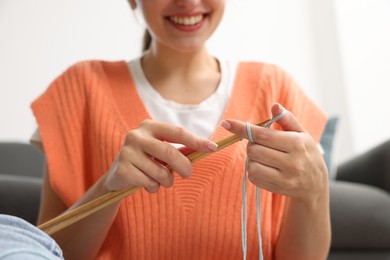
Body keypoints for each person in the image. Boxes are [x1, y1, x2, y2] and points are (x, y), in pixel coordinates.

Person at [30, 0, 331, 259]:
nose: (187, 1)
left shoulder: (275, 88)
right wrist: (109, 187)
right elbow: (46, 252)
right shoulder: (80, 89)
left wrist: (315, 191)